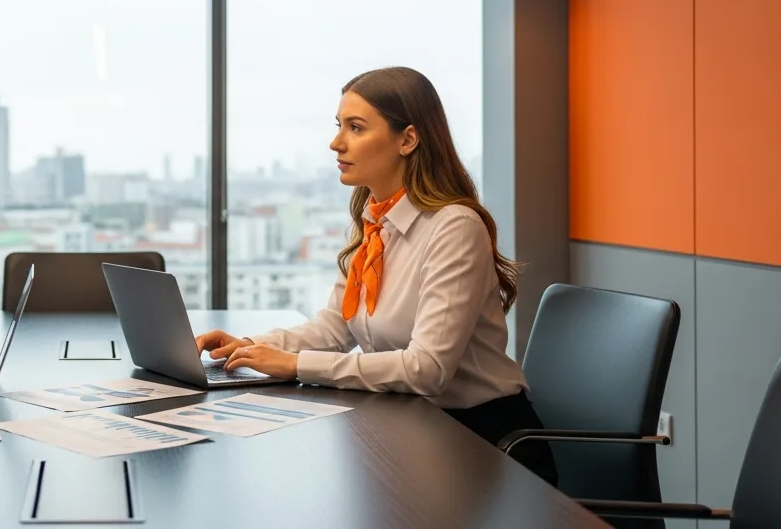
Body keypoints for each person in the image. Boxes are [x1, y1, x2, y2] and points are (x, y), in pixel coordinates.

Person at [195, 67, 557, 485]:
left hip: (483, 444)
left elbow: (427, 368)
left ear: (407, 139)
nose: (336, 142)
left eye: (356, 127)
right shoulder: (374, 223)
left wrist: (295, 365)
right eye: (339, 126)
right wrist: (251, 347)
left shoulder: (454, 227)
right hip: (413, 429)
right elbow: (333, 329)